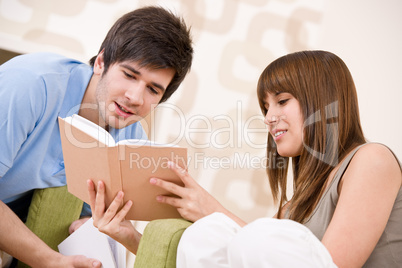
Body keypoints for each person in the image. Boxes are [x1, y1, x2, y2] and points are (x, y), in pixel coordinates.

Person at [88, 50, 401, 267]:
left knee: (238, 232)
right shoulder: (296, 204)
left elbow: (327, 264)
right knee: (205, 236)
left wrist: (214, 211)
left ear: (324, 100)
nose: (268, 117)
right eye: (266, 107)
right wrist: (128, 236)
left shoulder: (372, 161)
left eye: (281, 101)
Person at [0, 5, 193, 268]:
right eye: (129, 74)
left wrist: (94, 229)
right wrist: (49, 259)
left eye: (153, 89)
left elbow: (89, 220)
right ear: (101, 62)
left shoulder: (130, 138)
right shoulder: (30, 85)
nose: (135, 98)